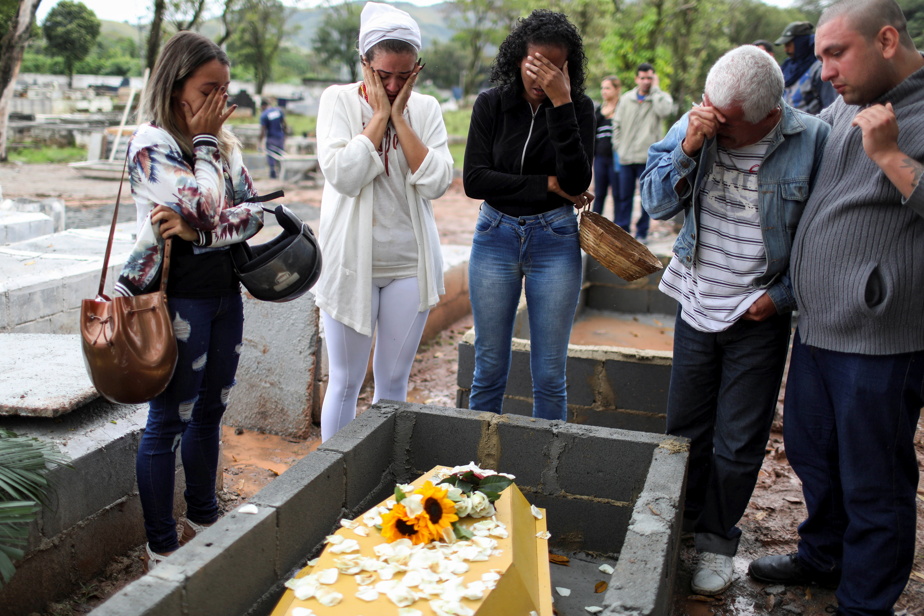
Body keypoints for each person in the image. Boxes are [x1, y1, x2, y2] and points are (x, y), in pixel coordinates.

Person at [748, 1, 924, 613]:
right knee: (813, 451)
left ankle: (864, 603)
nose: (823, 70)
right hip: (820, 324)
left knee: (875, 480)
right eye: (819, 54)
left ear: (885, 39)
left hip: (882, 338)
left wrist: (889, 155)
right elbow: (796, 132)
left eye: (834, 53)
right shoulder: (848, 100)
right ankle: (824, 556)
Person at [641, 44, 829, 596]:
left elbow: (823, 237)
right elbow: (655, 204)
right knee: (684, 429)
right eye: (709, 114)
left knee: (739, 441)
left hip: (758, 313)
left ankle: (717, 542)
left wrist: (783, 296)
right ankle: (679, 526)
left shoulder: (813, 142)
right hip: (696, 299)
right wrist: (690, 144)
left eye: (729, 128)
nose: (716, 130)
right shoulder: (698, 123)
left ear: (770, 116)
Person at [115, 31, 265, 569]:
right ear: (177, 87)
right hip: (173, 302)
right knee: (168, 421)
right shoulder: (151, 143)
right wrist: (204, 149)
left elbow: (252, 213)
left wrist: (200, 231)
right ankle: (162, 546)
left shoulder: (225, 144)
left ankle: (203, 517)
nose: (221, 102)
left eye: (226, 89)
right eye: (209, 88)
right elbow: (204, 205)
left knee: (211, 413)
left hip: (224, 294)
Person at [314, 2, 453, 442]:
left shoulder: (426, 110)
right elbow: (344, 175)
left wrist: (399, 118)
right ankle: (332, 483)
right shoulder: (337, 101)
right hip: (349, 264)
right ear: (365, 65)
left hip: (409, 265)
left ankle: (380, 478)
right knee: (345, 382)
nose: (394, 85)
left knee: (392, 385)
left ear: (418, 69)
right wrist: (378, 117)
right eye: (385, 75)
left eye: (406, 75)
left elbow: (436, 181)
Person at [463, 9, 594, 421]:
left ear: (567, 69)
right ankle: (475, 474)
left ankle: (546, 477)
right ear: (517, 59)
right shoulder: (491, 104)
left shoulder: (580, 108)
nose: (541, 77)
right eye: (534, 65)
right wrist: (546, 185)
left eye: (554, 68)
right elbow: (474, 180)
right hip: (495, 236)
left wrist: (561, 102)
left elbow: (575, 179)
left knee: (551, 374)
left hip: (554, 241)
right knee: (488, 369)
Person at [611, 62, 673, 242]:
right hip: (626, 157)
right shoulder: (626, 99)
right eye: (643, 77)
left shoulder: (660, 98)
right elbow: (617, 124)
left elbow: (664, 112)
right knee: (624, 196)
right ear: (637, 78)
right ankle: (622, 232)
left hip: (648, 158)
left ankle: (642, 232)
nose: (646, 81)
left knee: (646, 197)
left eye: (649, 78)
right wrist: (618, 146)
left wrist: (656, 91)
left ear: (654, 79)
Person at [775, 21, 836, 115]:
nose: (786, 49)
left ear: (800, 42)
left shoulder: (818, 69)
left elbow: (831, 106)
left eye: (789, 44)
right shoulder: (787, 66)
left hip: (812, 127)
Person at [592, 75, 621, 216]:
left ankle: (617, 230)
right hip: (600, 157)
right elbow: (592, 129)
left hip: (617, 158)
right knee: (599, 193)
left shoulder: (622, 109)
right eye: (602, 88)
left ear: (617, 89)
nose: (604, 91)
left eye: (608, 88)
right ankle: (593, 225)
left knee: (618, 194)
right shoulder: (598, 110)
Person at [259, 98, 287, 179]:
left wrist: (260, 140)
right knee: (280, 155)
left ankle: (273, 173)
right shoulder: (278, 111)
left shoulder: (264, 115)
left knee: (271, 155)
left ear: (263, 106)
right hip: (280, 137)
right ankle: (281, 172)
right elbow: (284, 124)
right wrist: (285, 135)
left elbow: (263, 130)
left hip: (271, 138)